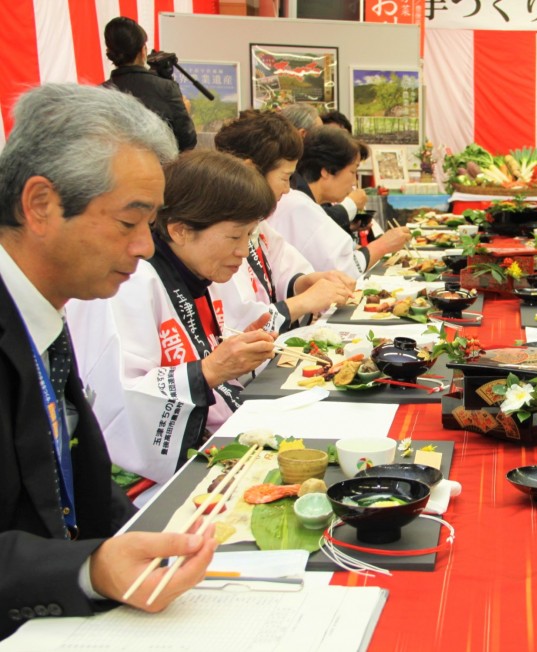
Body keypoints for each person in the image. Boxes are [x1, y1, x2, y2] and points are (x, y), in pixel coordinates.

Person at [0, 84, 216, 640]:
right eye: (129, 222)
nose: (146, 247)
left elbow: (71, 485)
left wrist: (141, 540)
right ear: (41, 204)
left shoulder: (46, 312)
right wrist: (86, 569)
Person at [67, 151, 277, 483]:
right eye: (236, 236)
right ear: (179, 230)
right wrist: (210, 369)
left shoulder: (192, 272)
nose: (243, 251)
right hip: (141, 485)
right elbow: (118, 404)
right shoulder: (132, 281)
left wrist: (233, 351)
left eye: (250, 236)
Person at [212, 110, 353, 326]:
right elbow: (236, 323)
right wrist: (304, 302)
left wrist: (306, 283)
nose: (288, 190)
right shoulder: (214, 230)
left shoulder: (260, 225)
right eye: (285, 178)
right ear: (251, 170)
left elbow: (283, 271)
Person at [268, 125, 410, 278]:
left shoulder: (303, 201)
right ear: (327, 171)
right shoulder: (298, 203)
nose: (354, 181)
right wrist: (384, 244)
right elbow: (344, 270)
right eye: (353, 171)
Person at [102, 17, 196, 152]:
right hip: (159, 169)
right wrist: (185, 112)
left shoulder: (101, 92)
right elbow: (187, 142)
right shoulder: (166, 89)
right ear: (143, 50)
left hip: (112, 170)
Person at [280, 104, 369, 236]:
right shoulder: (293, 186)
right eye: (352, 171)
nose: (354, 181)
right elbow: (311, 222)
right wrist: (351, 204)